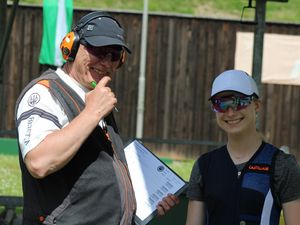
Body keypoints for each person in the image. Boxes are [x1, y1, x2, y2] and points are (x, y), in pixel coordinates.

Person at [15, 11, 178, 225]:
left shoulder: (95, 99)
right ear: (72, 47)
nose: (106, 62)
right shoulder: (45, 92)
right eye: (97, 50)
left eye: (114, 55)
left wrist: (139, 203)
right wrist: (92, 112)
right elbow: (39, 162)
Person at [185, 69, 300, 225]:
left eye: (240, 102)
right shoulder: (204, 165)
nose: (231, 112)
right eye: (221, 104)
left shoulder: (281, 164)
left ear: (257, 105)